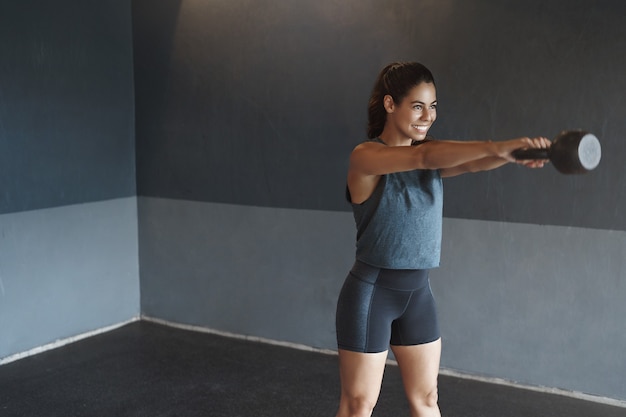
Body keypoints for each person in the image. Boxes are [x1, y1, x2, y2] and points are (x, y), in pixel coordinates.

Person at [334, 62, 550, 417]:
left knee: (427, 400)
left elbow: (470, 164)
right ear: (390, 104)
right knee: (358, 404)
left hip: (418, 294)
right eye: (417, 105)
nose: (427, 116)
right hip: (372, 294)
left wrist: (512, 155)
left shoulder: (431, 159)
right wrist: (500, 145)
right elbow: (422, 155)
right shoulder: (366, 156)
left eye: (433, 106)